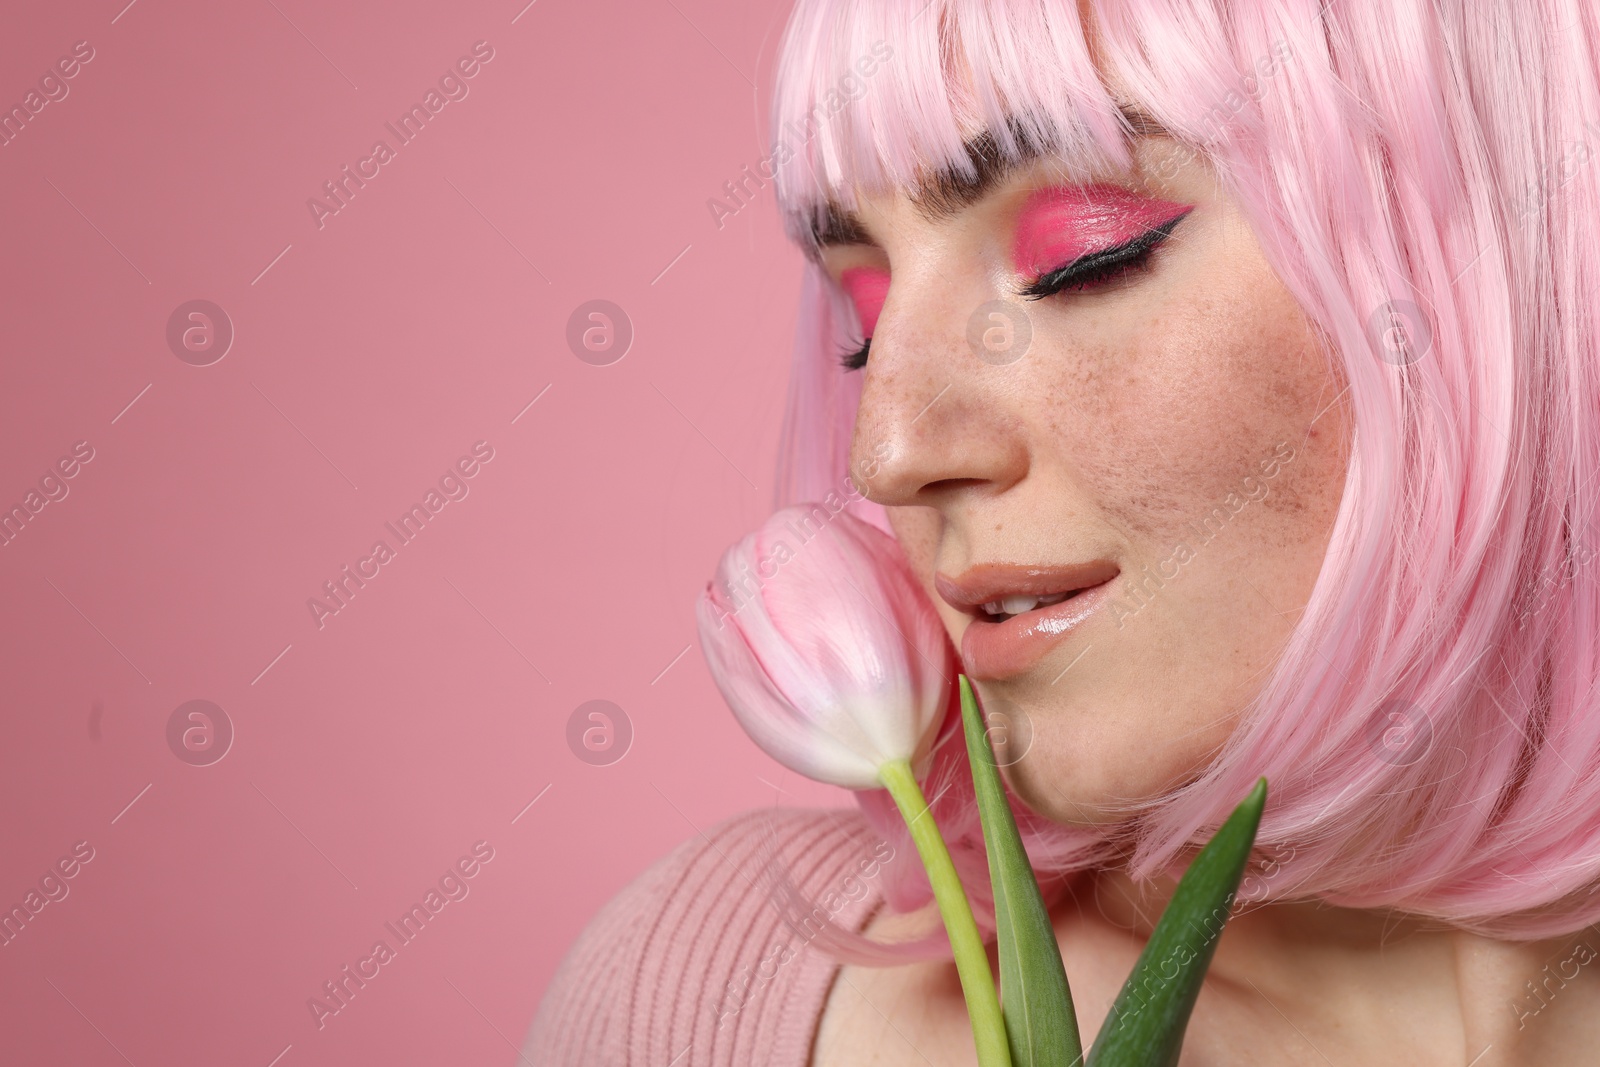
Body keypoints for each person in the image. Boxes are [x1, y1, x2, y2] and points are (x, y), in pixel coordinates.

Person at [524, 0, 1600, 1062]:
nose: (886, 454)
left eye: (1080, 254)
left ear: (1513, 273)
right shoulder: (733, 1011)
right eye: (862, 313)